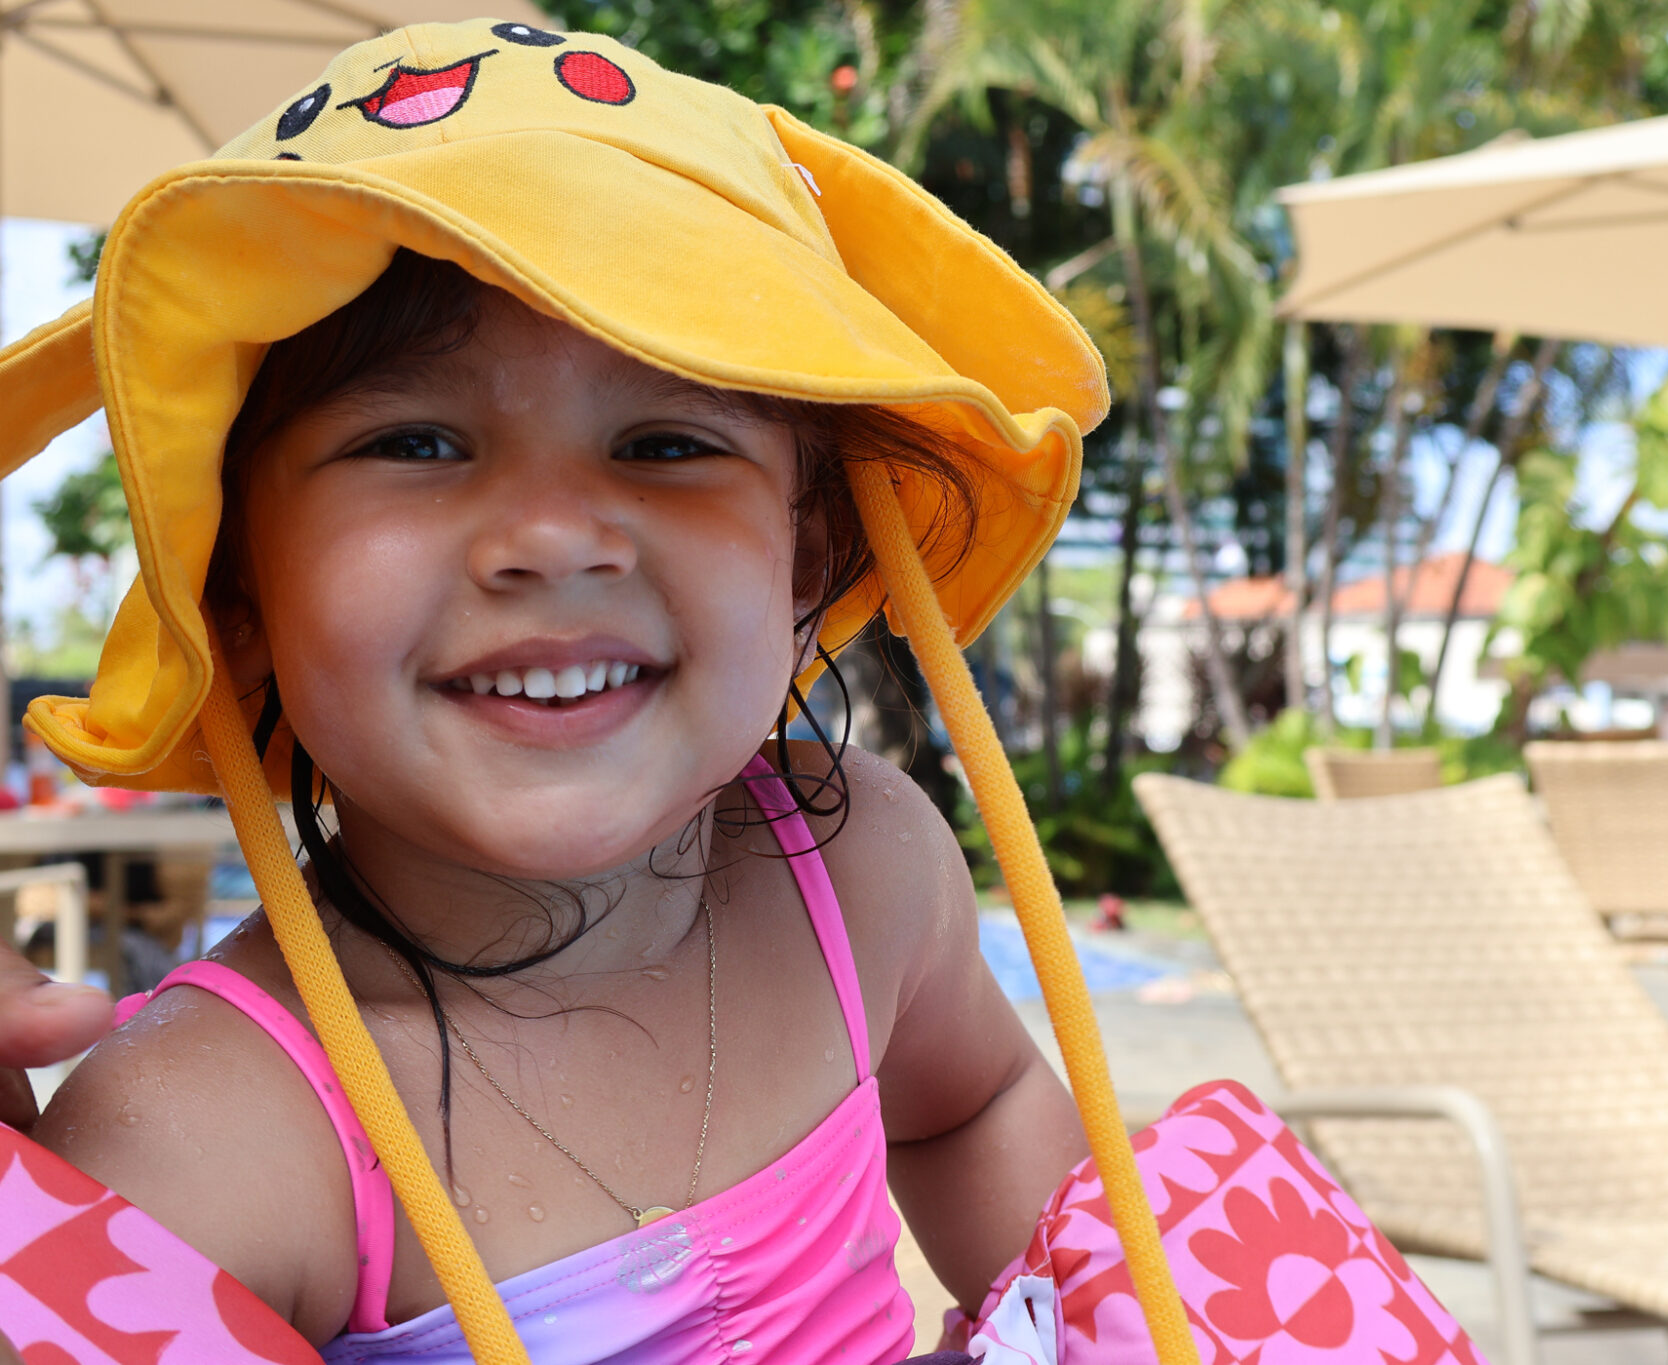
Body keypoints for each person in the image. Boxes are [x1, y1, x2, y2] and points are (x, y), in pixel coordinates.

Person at [0, 21, 1486, 1365]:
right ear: (235, 594)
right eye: (415, 444)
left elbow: (973, 1106)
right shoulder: (213, 1131)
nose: (554, 536)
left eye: (665, 443)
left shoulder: (865, 876)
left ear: (808, 550)